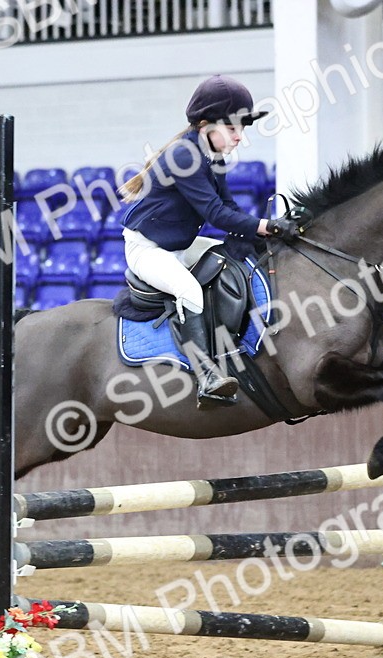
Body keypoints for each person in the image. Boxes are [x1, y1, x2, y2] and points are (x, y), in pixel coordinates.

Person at [118, 74, 299, 408]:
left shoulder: (209, 153)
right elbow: (216, 214)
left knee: (232, 259)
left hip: (180, 246)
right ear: (205, 124)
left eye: (242, 129)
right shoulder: (184, 156)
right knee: (190, 292)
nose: (239, 138)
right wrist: (266, 226)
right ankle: (208, 377)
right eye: (233, 129)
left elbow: (228, 206)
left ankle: (233, 342)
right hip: (148, 250)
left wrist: (264, 231)